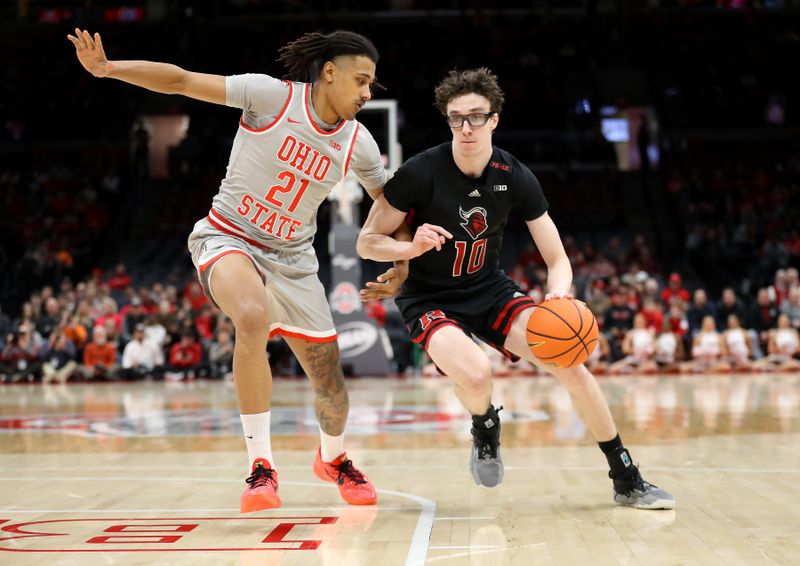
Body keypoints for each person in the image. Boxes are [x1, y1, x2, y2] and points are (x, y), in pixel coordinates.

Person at [68, 28, 408, 512]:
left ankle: (333, 458)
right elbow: (182, 82)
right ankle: (261, 468)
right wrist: (109, 69)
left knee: (331, 385)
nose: (366, 93)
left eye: (371, 85)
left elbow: (388, 207)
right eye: (360, 80)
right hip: (228, 236)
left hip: (293, 259)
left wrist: (400, 259)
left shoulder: (360, 143)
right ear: (329, 72)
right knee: (251, 315)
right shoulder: (270, 97)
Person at [356, 68, 674, 509]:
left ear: (494, 119)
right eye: (456, 118)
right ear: (447, 121)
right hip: (428, 295)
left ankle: (626, 477)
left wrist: (558, 296)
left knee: (571, 363)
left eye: (476, 117)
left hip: (487, 288)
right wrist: (409, 244)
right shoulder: (420, 172)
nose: (466, 127)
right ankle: (485, 425)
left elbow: (557, 259)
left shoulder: (514, 173)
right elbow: (366, 241)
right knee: (475, 372)